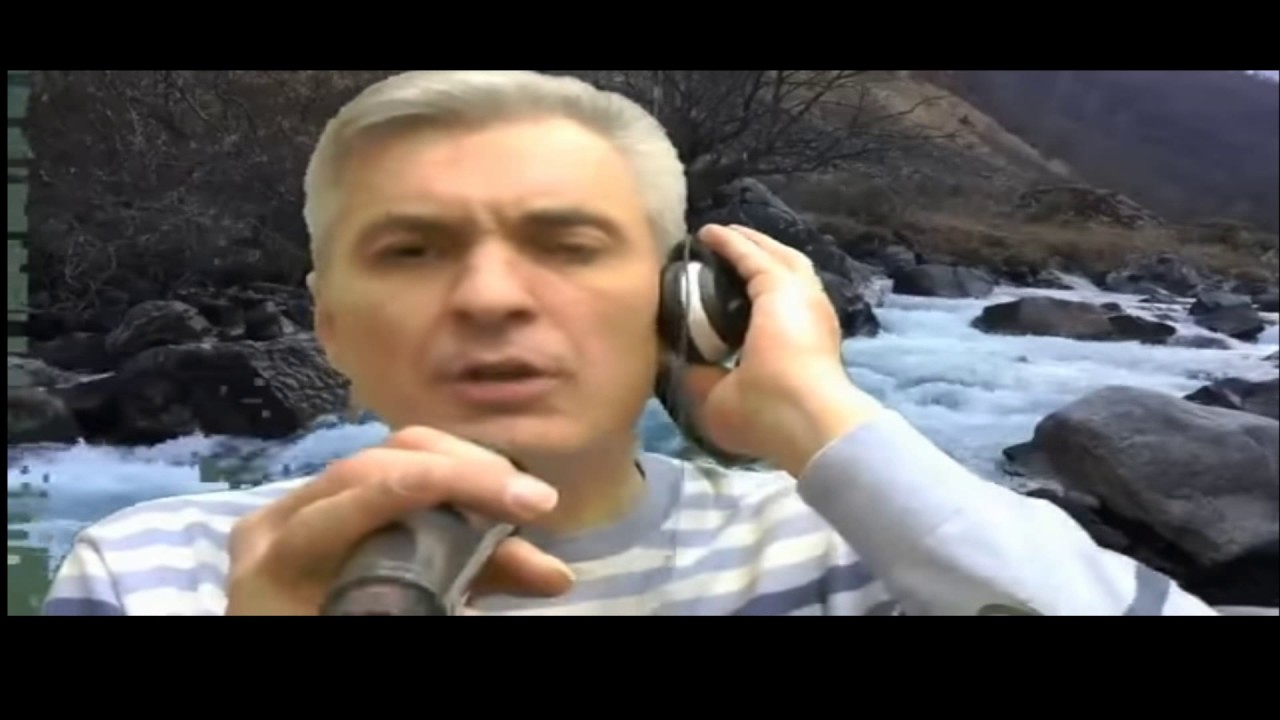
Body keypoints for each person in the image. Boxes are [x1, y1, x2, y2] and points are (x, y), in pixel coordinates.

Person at [41, 70, 1219, 616]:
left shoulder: (856, 555)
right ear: (328, 321)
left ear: (681, 302)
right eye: (410, 250)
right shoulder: (151, 572)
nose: (490, 297)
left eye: (566, 244)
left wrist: (819, 417)